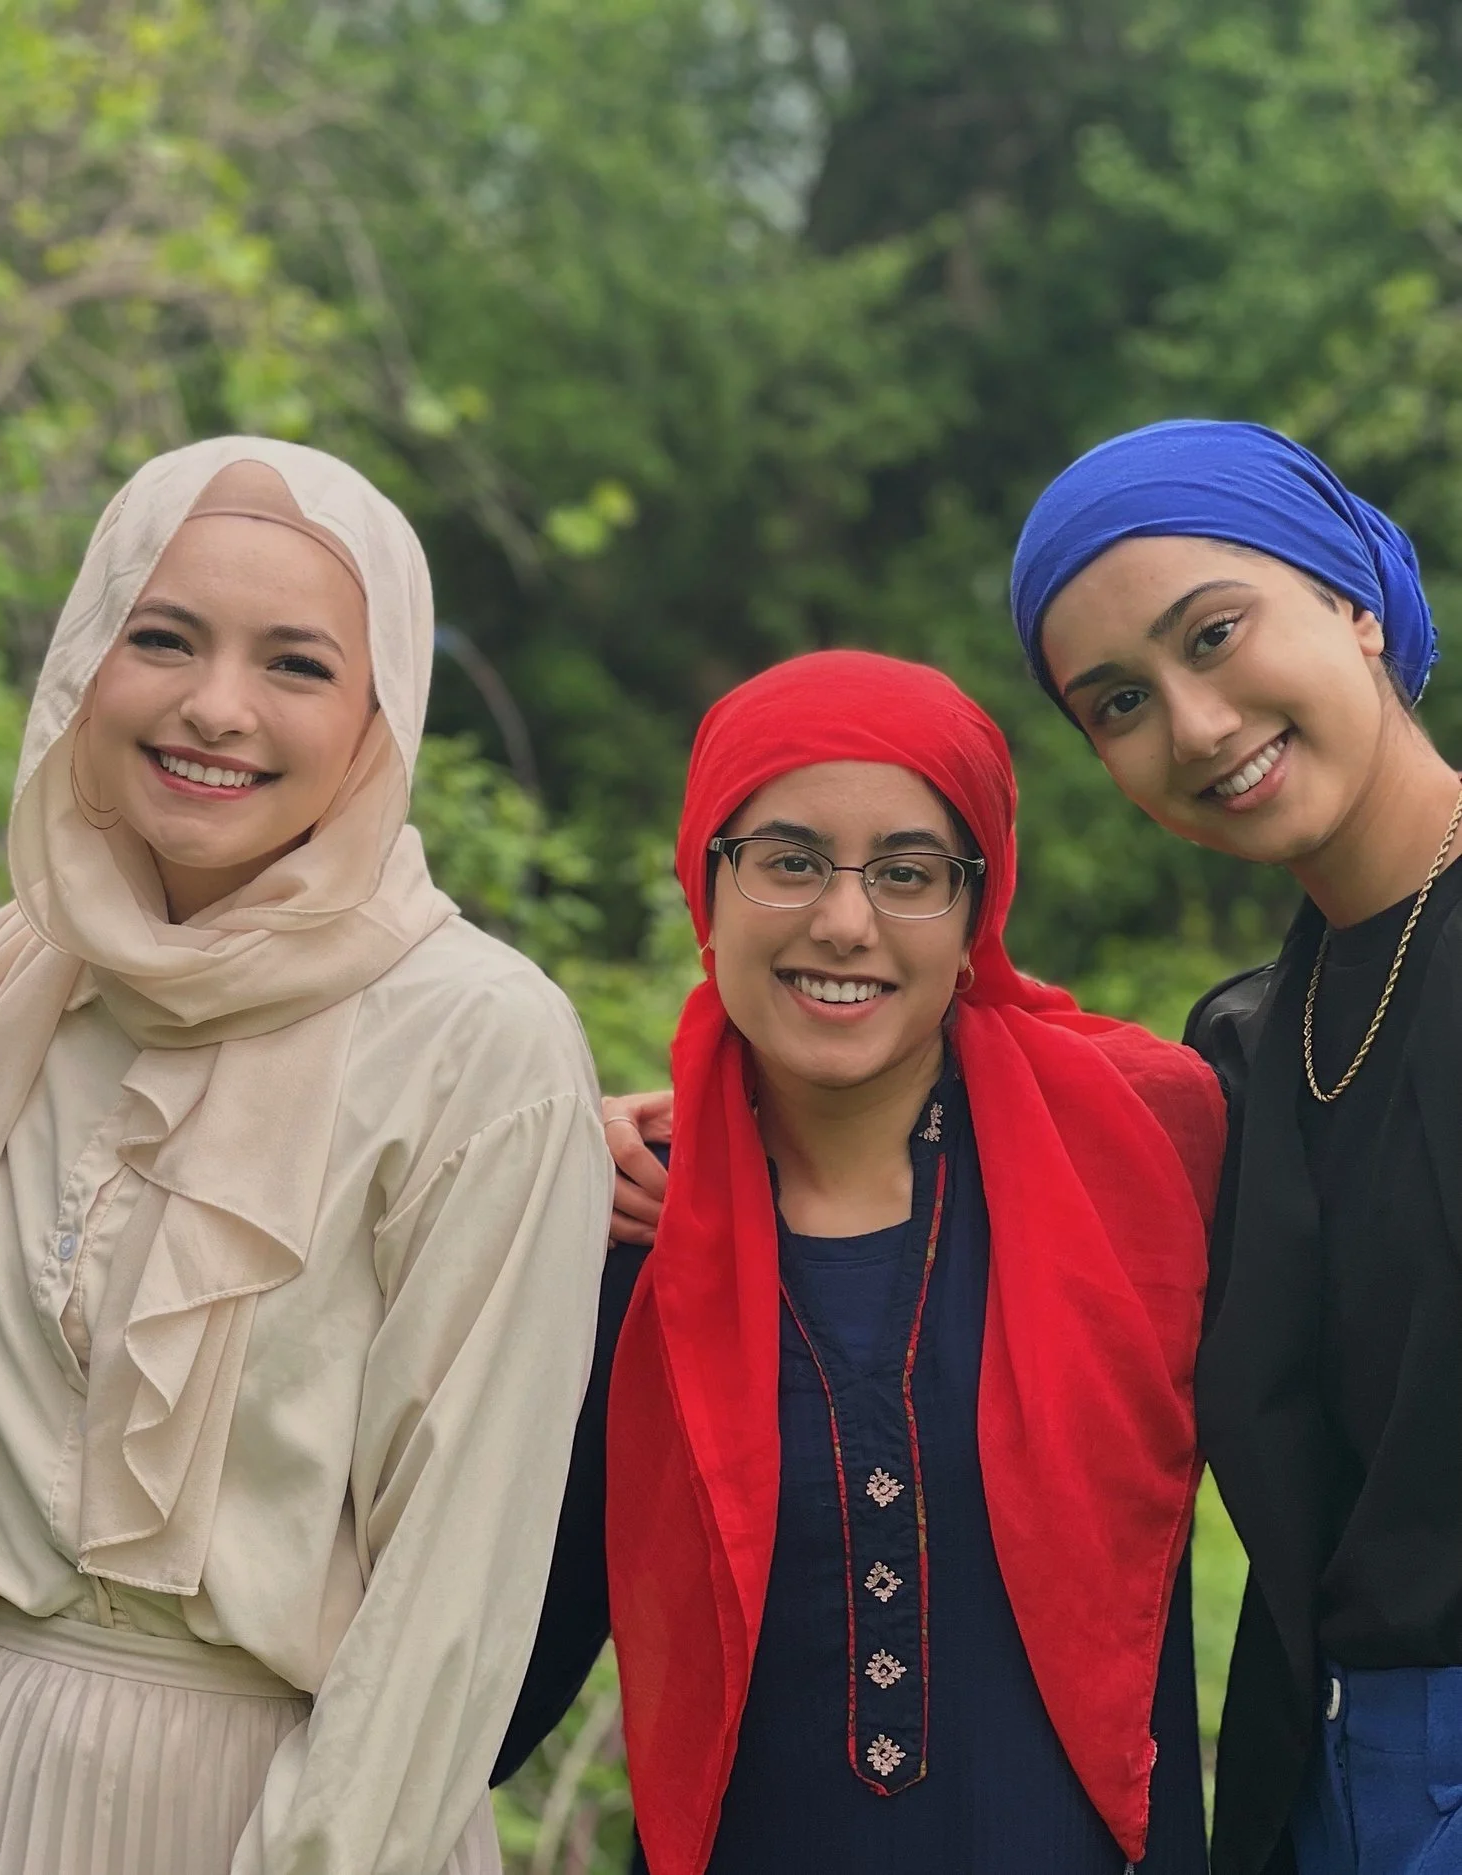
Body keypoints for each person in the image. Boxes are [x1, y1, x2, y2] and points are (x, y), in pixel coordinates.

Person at [0, 438, 611, 1875]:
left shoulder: (478, 1043)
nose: (216, 707)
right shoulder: (16, 974)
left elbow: (455, 1588)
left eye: (296, 663)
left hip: (289, 1804)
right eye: (163, 637)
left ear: (379, 711)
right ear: (85, 662)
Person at [504, 650, 1225, 1873]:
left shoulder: (1144, 1148)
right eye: (787, 861)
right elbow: (494, 1658)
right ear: (706, 887)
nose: (844, 923)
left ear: (975, 915)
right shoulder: (614, 1230)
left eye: (907, 873)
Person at [1015, 420, 1462, 1875]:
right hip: (1307, 1781)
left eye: (1215, 633)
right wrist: (678, 1128)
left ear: (1353, 600)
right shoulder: (1249, 1046)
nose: (1197, 725)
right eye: (1120, 702)